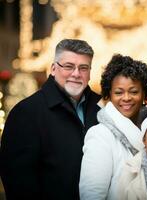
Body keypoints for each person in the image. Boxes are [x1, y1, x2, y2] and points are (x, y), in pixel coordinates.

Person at [0, 39, 101, 200]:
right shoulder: (26, 113)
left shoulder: (102, 109)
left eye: (83, 68)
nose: (76, 73)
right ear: (53, 69)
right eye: (68, 66)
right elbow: (17, 181)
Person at [79, 54, 147, 200]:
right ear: (109, 94)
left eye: (133, 91)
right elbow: (92, 194)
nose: (126, 98)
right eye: (119, 92)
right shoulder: (100, 135)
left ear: (145, 94)